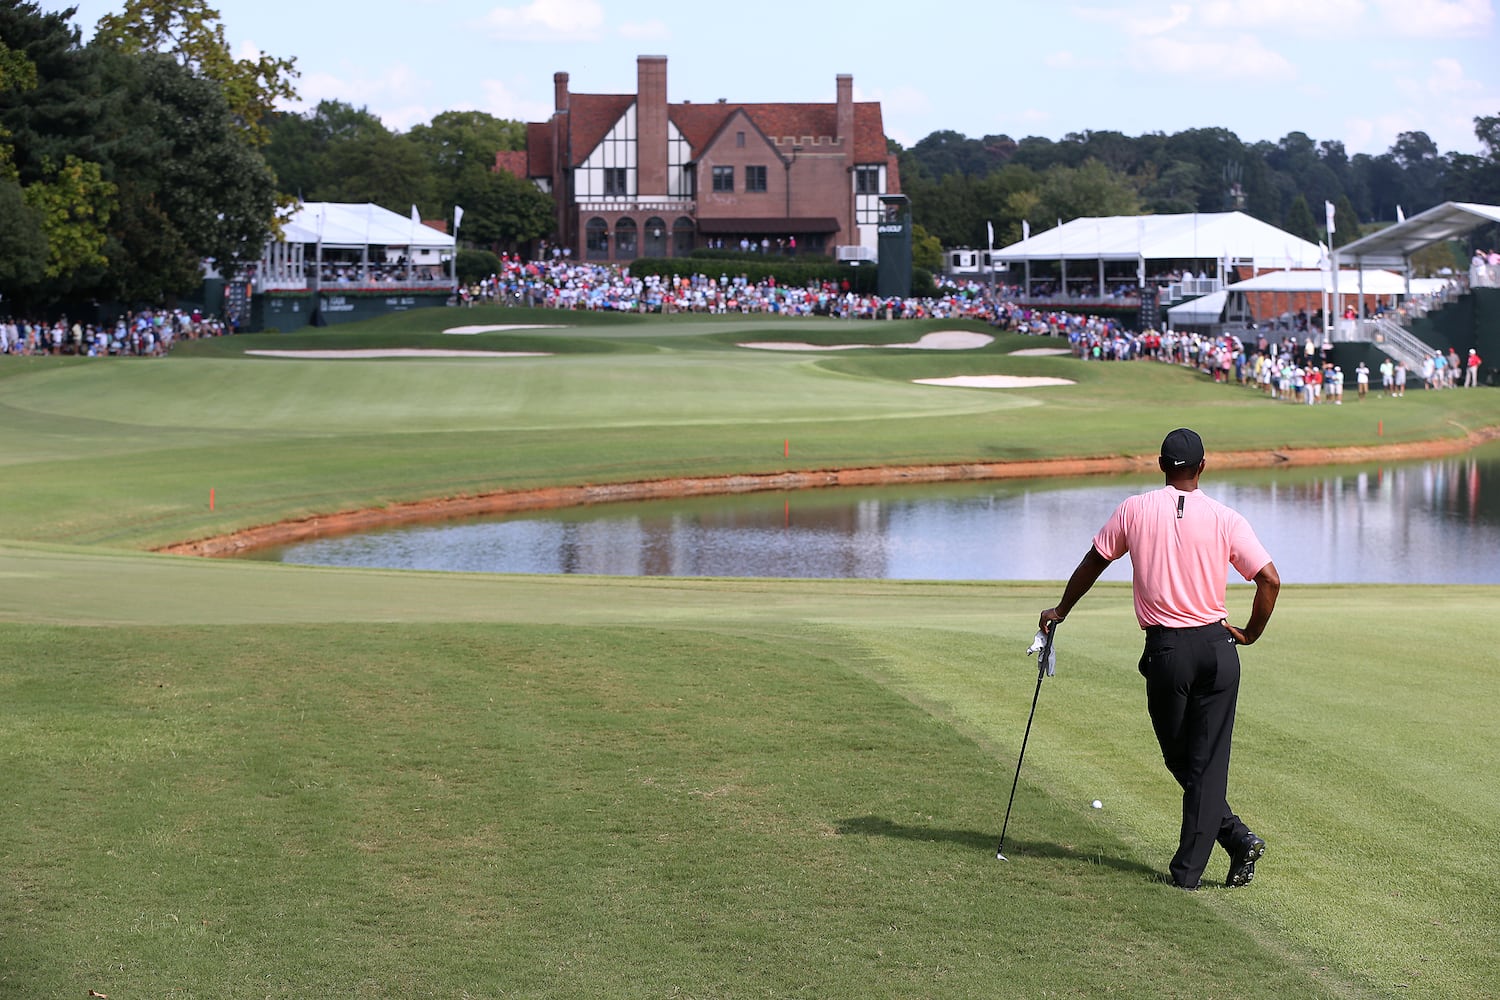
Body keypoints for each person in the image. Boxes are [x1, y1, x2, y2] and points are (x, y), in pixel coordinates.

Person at [1038, 428, 1281, 891]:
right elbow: (1268, 580)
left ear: (1161, 464)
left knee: (1186, 759)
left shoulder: (1133, 508)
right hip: (1217, 649)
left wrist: (1061, 610)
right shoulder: (1227, 517)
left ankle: (1187, 875)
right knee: (1192, 762)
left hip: (1169, 651)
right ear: (1202, 467)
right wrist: (1250, 633)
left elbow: (1095, 561)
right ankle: (1237, 837)